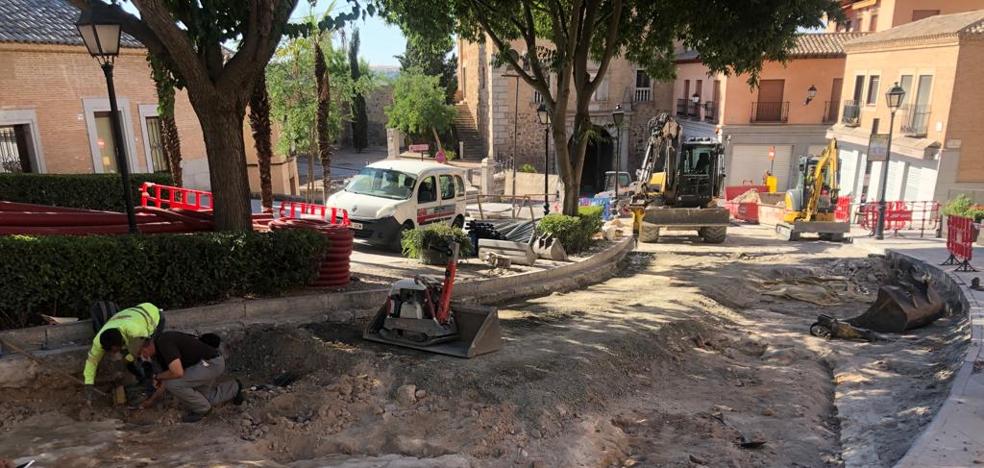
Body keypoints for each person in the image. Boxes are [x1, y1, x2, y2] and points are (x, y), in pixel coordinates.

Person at [136, 331, 242, 422]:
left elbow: (177, 373)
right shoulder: (158, 353)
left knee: (174, 385)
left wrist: (158, 376)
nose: (143, 357)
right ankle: (234, 387)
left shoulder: (164, 343)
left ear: (146, 346)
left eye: (141, 353)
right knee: (203, 399)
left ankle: (203, 410)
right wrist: (151, 400)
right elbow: (167, 378)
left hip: (209, 364)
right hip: (202, 365)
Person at [83, 303, 165, 402]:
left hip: (153, 316)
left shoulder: (135, 331)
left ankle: (154, 386)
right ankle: (142, 381)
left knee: (147, 356)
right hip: (132, 316)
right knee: (129, 360)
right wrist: (88, 384)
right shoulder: (99, 341)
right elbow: (92, 361)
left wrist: (127, 359)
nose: (113, 353)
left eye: (115, 350)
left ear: (120, 342)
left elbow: (142, 347)